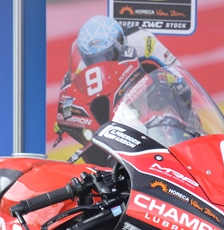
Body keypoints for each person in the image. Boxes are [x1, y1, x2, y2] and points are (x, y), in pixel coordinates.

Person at [54, 16, 191, 162]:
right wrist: (68, 114)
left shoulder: (142, 41)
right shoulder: (81, 64)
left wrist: (168, 80)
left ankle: (189, 141)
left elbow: (177, 73)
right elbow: (75, 91)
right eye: (91, 59)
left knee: (179, 101)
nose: (98, 62)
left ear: (120, 43)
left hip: (151, 101)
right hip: (115, 112)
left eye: (107, 54)